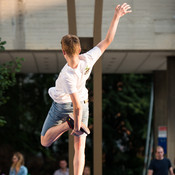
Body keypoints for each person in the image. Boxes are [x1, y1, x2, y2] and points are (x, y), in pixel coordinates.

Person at [41, 3, 132, 175]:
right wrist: (117, 16)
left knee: (45, 141)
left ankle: (66, 124)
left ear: (63, 52)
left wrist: (75, 126)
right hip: (83, 103)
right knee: (79, 148)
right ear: (80, 49)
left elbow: (75, 106)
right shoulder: (88, 59)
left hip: (64, 106)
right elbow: (107, 40)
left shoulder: (67, 75)